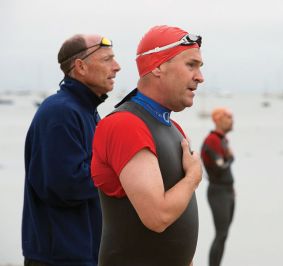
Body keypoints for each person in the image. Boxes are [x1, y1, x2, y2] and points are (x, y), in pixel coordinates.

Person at [91, 25, 204, 266]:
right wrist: (193, 177)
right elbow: (158, 216)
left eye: (199, 67)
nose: (200, 76)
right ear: (158, 67)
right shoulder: (125, 125)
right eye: (191, 65)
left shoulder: (172, 128)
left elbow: (179, 228)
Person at [22, 34, 120, 266]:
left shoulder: (87, 110)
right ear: (80, 67)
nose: (117, 67)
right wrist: (122, 169)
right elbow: (66, 186)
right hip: (59, 257)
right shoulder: (60, 112)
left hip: (83, 252)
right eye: (107, 59)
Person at [201, 107, 235, 266]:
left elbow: (224, 164)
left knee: (224, 234)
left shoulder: (223, 139)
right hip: (218, 191)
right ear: (219, 120)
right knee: (221, 234)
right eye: (228, 117)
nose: (232, 121)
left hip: (227, 190)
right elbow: (220, 166)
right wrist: (230, 158)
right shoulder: (212, 140)